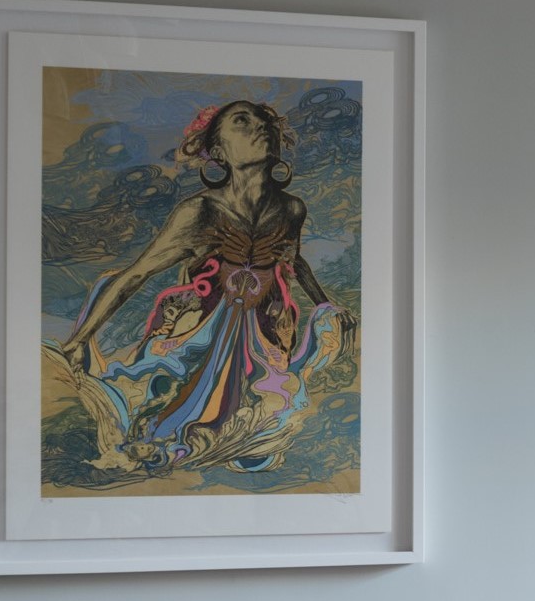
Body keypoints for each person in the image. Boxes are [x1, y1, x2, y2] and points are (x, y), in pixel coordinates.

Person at [52, 98, 357, 480]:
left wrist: (326, 305)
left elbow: (294, 261)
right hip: (198, 328)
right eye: (242, 121)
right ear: (217, 150)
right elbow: (135, 274)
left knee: (260, 409)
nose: (260, 126)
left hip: (263, 328)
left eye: (264, 120)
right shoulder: (198, 211)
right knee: (169, 406)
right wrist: (81, 337)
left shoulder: (292, 208)